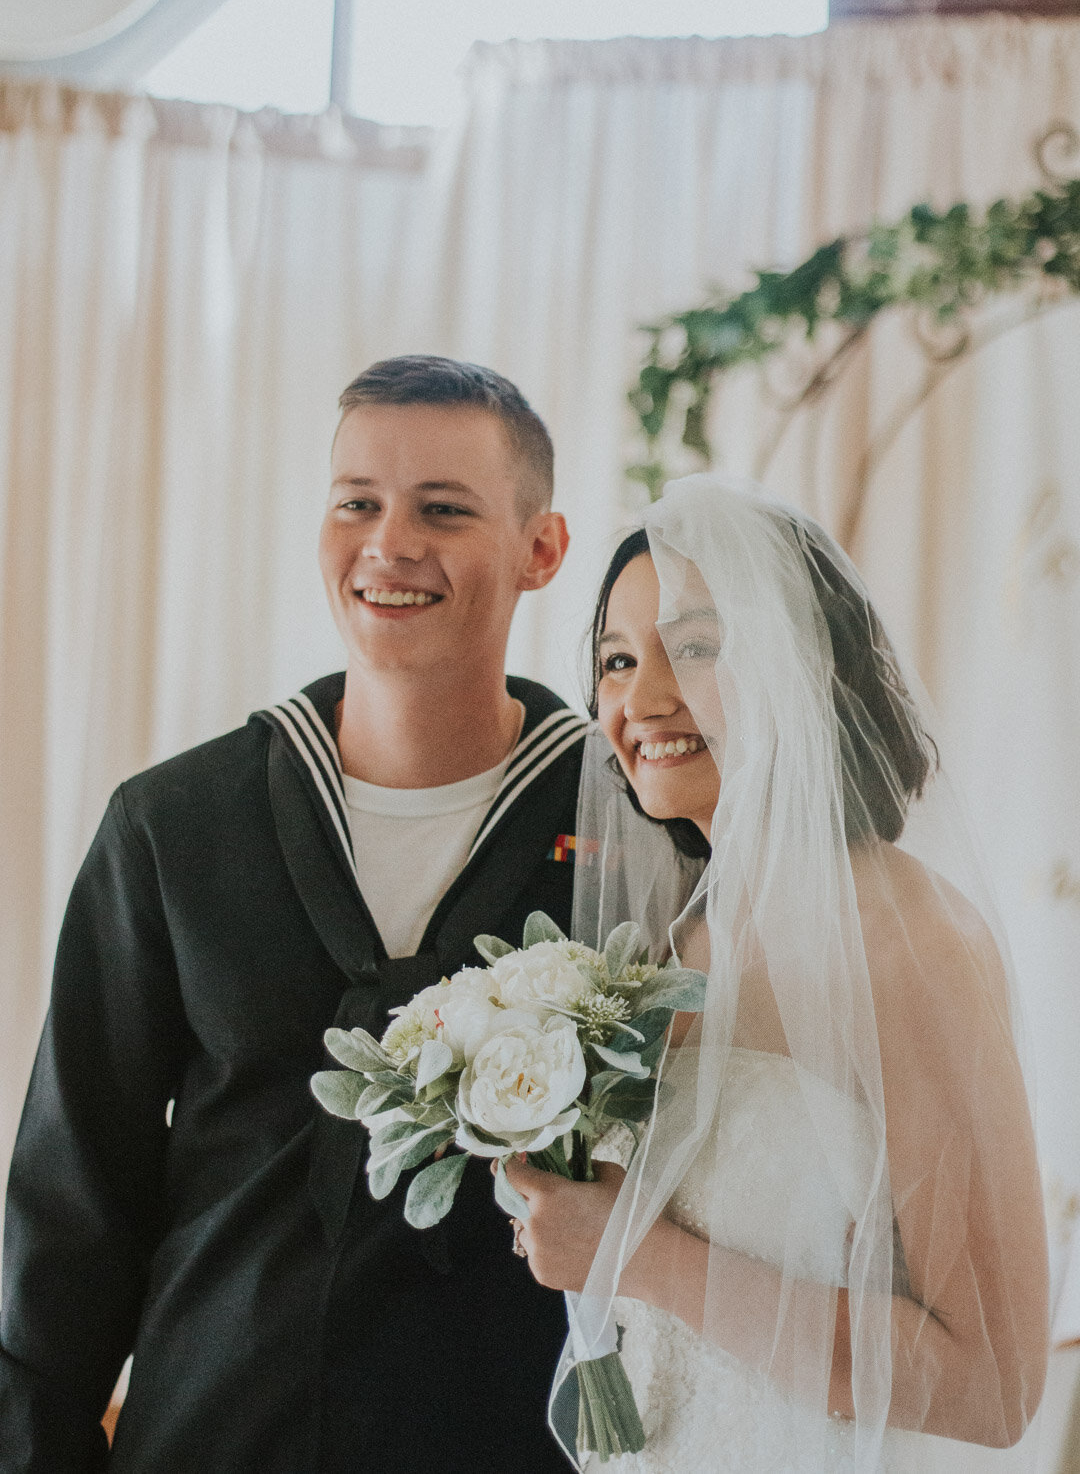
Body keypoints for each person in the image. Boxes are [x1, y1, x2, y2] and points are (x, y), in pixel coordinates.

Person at [0, 356, 588, 1474]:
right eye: (357, 502)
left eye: (444, 509)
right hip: (212, 1438)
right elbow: (72, 1210)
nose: (390, 542)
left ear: (541, 549)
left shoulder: (627, 835)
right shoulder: (171, 825)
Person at [506, 474, 1050, 1473]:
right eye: (617, 660)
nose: (644, 698)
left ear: (805, 667)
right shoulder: (677, 939)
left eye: (697, 647)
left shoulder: (908, 942)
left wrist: (636, 1253)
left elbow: (993, 1385)